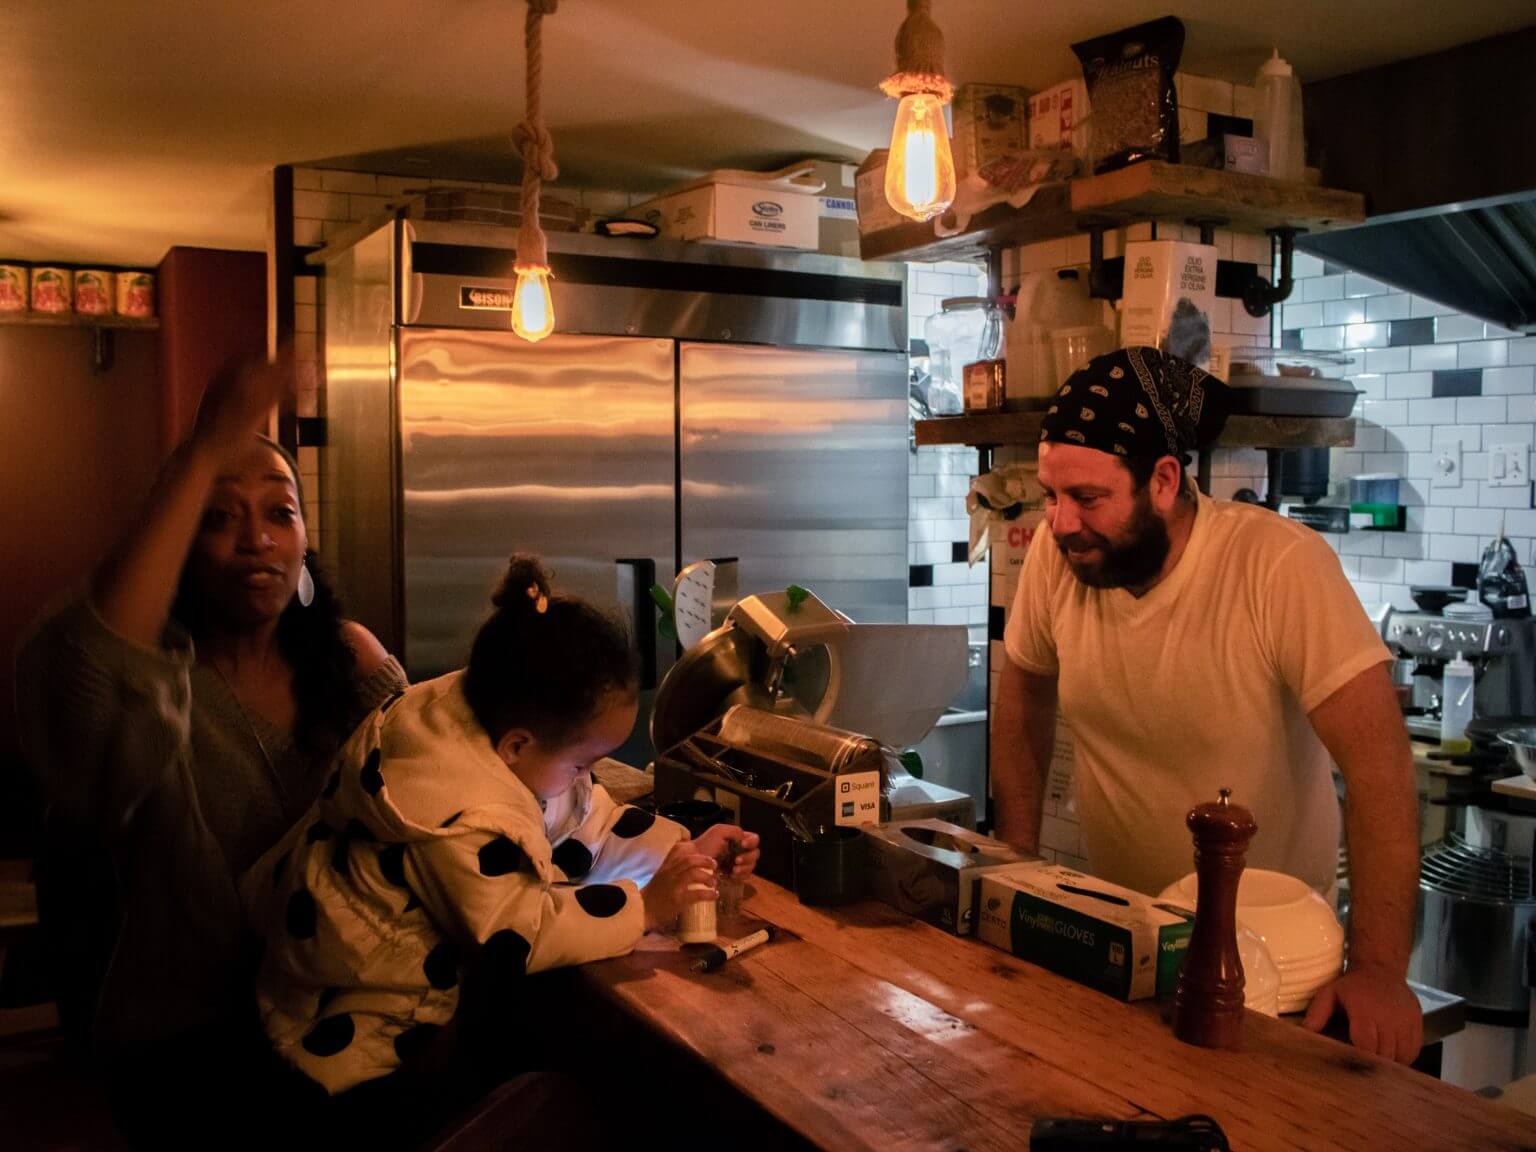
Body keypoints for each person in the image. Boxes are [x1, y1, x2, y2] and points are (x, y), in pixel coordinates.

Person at [14, 352, 405, 1140]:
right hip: (188, 1053)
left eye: (280, 513)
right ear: (178, 547)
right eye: (219, 518)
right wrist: (204, 449)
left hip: (351, 1025)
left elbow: (436, 794)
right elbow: (90, 661)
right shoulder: (152, 689)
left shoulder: (352, 660)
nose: (256, 540)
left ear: (305, 538)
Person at [993, 346, 1421, 1064]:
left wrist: (1379, 970)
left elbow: (1381, 767)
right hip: (1126, 945)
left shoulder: (1278, 566)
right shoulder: (1059, 558)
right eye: (1050, 496)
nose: (1061, 523)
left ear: (1164, 480)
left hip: (1273, 970)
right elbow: (1023, 697)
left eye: (1088, 499)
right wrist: (1014, 867)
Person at [242, 553, 760, 1119]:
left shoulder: (489, 719)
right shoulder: (458, 814)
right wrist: (647, 907)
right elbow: (521, 933)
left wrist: (682, 853)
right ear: (517, 746)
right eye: (583, 763)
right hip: (356, 1034)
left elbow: (587, 823)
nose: (588, 779)